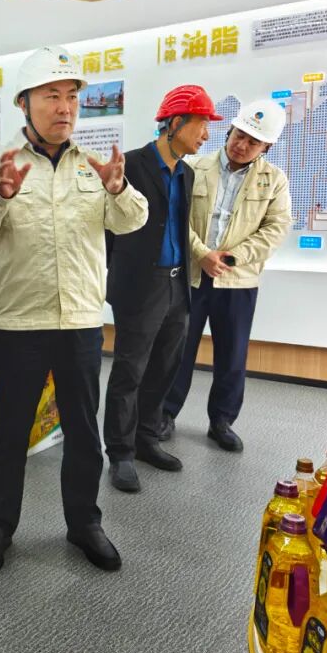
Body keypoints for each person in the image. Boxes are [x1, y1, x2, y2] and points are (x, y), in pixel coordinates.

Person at [0, 46, 148, 575]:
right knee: (10, 430)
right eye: (51, 96)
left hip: (80, 320)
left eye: (71, 97)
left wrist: (119, 188)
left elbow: (132, 220)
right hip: (18, 321)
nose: (64, 107)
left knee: (83, 430)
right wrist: (0, 196)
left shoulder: (94, 165)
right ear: (24, 103)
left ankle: (85, 523)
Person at [102, 85, 218, 493]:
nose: (206, 135)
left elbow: (181, 227)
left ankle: (146, 438)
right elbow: (108, 229)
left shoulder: (187, 173)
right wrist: (115, 274)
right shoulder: (131, 165)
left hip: (177, 283)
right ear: (176, 123)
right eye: (201, 125)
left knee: (165, 366)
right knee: (130, 369)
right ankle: (120, 453)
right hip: (140, 284)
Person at [162, 99, 292, 452]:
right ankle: (165, 414)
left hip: (237, 280)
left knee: (232, 355)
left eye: (253, 141)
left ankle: (222, 421)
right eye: (239, 135)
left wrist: (232, 258)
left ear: (266, 147)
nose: (242, 145)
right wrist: (202, 254)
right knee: (177, 349)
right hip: (191, 275)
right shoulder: (194, 167)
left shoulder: (274, 180)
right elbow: (175, 217)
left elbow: (276, 229)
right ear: (230, 131)